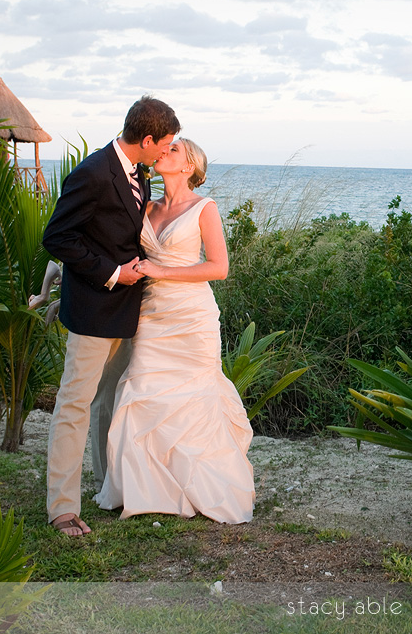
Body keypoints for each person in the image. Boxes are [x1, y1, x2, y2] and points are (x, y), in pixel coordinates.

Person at [93, 138, 255, 524]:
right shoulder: (145, 206)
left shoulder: (204, 208)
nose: (166, 150)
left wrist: (162, 271)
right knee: (142, 390)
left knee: (195, 399)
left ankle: (202, 486)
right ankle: (146, 491)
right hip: (150, 315)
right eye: (165, 147)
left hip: (191, 317)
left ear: (189, 167)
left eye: (176, 150)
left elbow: (218, 267)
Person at [42, 96, 181, 537]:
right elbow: (57, 237)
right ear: (146, 139)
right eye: (165, 145)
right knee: (74, 405)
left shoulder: (137, 170)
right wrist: (111, 273)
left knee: (108, 402)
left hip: (128, 311)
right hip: (92, 310)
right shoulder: (93, 173)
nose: (166, 153)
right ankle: (62, 508)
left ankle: (106, 488)